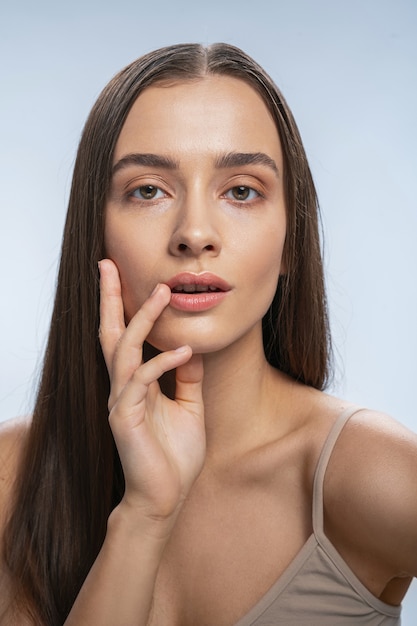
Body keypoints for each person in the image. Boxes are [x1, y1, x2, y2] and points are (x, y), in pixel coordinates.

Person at [0, 42, 415, 626]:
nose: (195, 233)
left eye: (241, 190)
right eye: (148, 190)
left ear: (292, 239)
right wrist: (144, 515)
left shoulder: (374, 474)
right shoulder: (12, 477)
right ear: (93, 232)